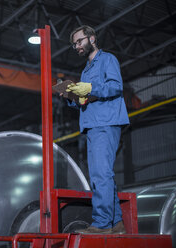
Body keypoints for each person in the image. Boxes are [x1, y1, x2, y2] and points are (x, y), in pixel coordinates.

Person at [66, 25, 130, 234]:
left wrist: (90, 88)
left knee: (101, 175)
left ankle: (102, 224)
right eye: (74, 44)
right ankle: (117, 223)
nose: (77, 46)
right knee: (99, 176)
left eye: (80, 41)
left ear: (92, 38)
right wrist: (72, 97)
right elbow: (86, 99)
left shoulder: (107, 59)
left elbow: (115, 86)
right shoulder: (87, 69)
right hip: (92, 125)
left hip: (106, 122)